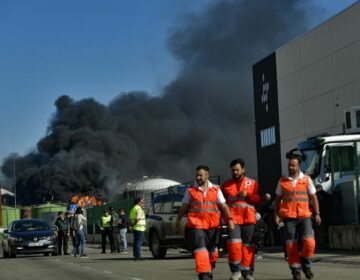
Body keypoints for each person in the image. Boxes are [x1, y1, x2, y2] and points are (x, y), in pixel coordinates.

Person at [175, 165, 234, 280]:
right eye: (197, 175)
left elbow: (224, 205)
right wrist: (178, 221)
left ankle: (209, 267)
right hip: (197, 225)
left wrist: (230, 220)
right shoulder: (191, 190)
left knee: (213, 252)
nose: (198, 177)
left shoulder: (216, 189)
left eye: (200, 175)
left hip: (213, 226)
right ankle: (204, 274)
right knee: (200, 248)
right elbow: (183, 207)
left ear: (207, 176)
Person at [274, 154, 321, 280]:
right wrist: (276, 215)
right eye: (289, 165)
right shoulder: (282, 181)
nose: (290, 167)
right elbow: (277, 200)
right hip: (289, 217)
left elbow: (313, 197)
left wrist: (317, 213)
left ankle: (305, 263)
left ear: (299, 166)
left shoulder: (306, 179)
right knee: (291, 245)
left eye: (293, 165)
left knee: (309, 242)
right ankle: (296, 271)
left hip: (304, 216)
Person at [222, 159, 261, 280]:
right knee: (234, 244)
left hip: (248, 219)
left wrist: (248, 195)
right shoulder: (226, 185)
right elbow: (222, 203)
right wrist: (226, 219)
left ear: (243, 169)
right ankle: (236, 270)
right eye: (233, 170)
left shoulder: (253, 183)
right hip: (233, 220)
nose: (235, 172)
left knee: (247, 247)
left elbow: (258, 199)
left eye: (237, 170)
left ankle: (248, 272)